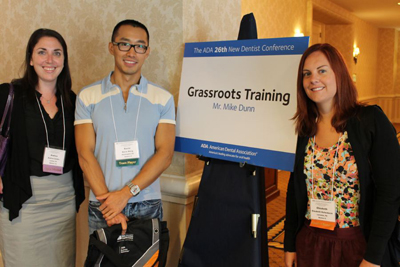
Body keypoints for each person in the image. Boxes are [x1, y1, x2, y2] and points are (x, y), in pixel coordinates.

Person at [284, 43, 400, 267]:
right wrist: (290, 243)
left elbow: (391, 192)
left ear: (340, 74)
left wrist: (373, 258)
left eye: (322, 70)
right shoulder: (305, 129)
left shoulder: (369, 121)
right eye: (306, 74)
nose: (313, 79)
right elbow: (294, 190)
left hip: (357, 244)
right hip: (311, 241)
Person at [75, 19, 175, 234]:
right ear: (111, 47)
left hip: (147, 202)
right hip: (103, 202)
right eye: (124, 44)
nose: (132, 52)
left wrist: (125, 194)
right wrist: (109, 204)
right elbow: (85, 153)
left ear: (147, 52)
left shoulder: (163, 98)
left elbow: (165, 154)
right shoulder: (87, 96)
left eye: (140, 46)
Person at [0, 29, 85, 266]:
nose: (50, 60)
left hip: (64, 202)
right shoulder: (10, 94)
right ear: (30, 58)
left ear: (64, 60)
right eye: (42, 52)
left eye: (57, 53)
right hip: (24, 201)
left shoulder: (73, 101)